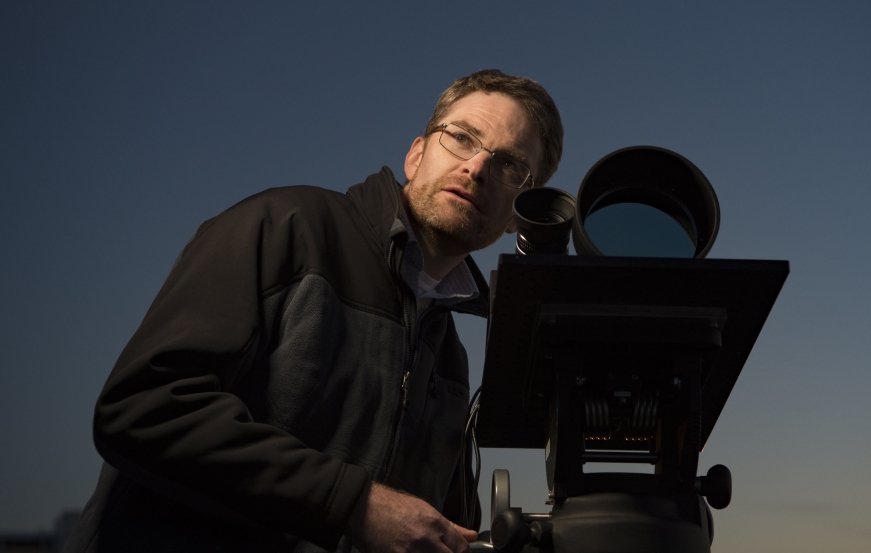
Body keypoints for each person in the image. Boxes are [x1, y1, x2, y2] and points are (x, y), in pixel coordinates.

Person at [64, 70, 563, 553]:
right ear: (416, 155)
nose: (476, 168)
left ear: (515, 218)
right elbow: (142, 407)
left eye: (508, 166)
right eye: (461, 138)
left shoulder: (452, 356)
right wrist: (355, 503)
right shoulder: (285, 228)